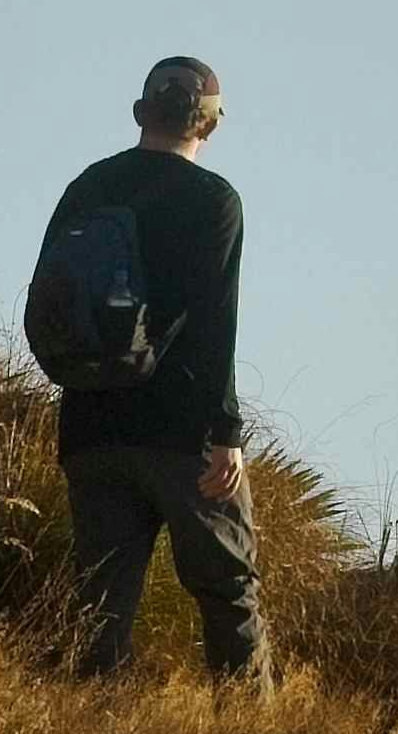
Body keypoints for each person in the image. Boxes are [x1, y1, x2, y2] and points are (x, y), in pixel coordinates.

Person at [39, 55, 264, 684]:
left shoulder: (90, 185)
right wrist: (225, 432)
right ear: (210, 125)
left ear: (142, 111)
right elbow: (215, 324)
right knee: (228, 589)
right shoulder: (214, 200)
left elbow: (51, 297)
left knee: (100, 606)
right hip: (181, 436)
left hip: (90, 428)